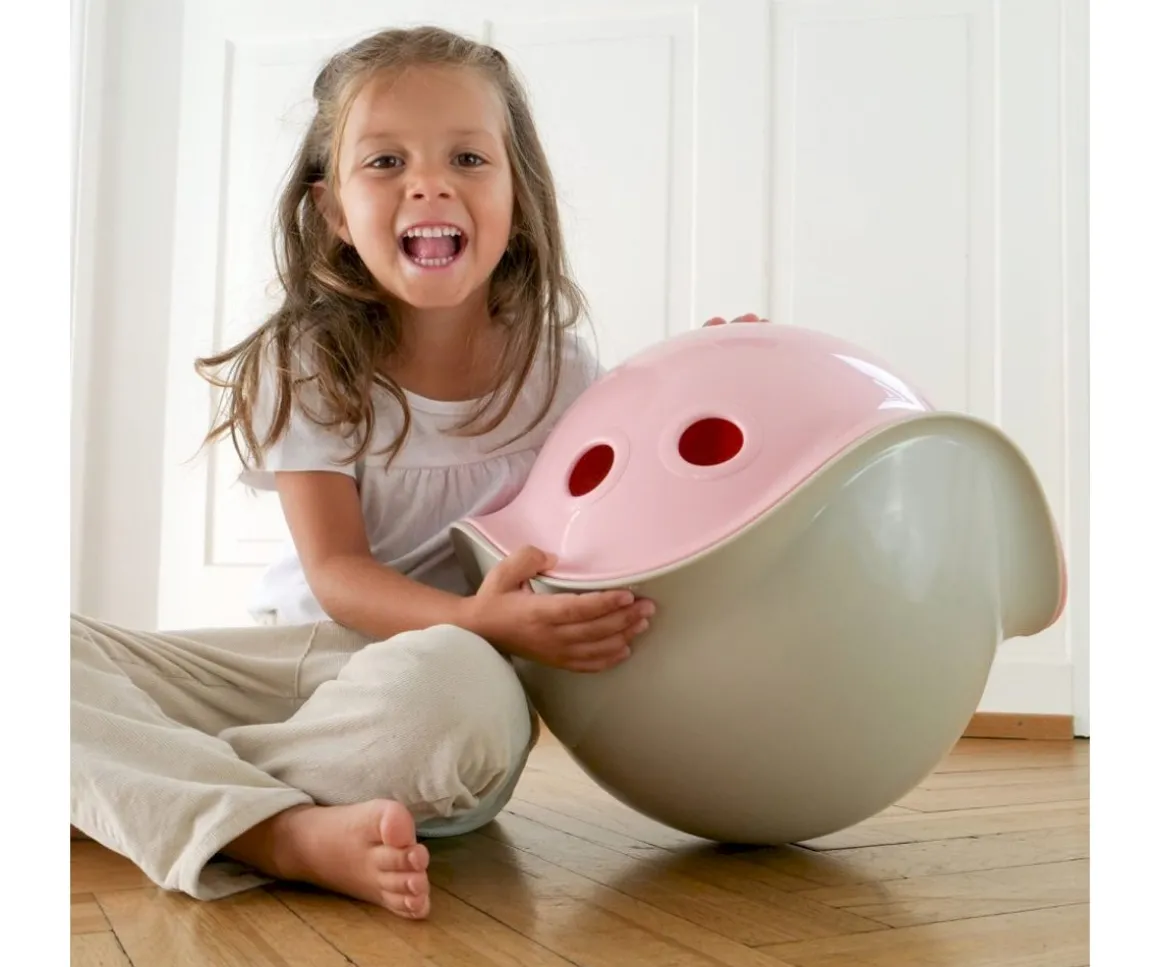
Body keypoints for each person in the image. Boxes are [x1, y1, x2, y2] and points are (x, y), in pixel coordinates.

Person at [70, 25, 760, 920]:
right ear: (332, 210)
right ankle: (269, 827)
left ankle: (153, 785)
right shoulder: (308, 362)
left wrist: (712, 379)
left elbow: (639, 502)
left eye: (467, 158)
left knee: (453, 695)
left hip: (444, 686)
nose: (429, 184)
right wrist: (477, 612)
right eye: (386, 161)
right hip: (301, 661)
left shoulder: (562, 373)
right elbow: (338, 574)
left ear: (518, 196)